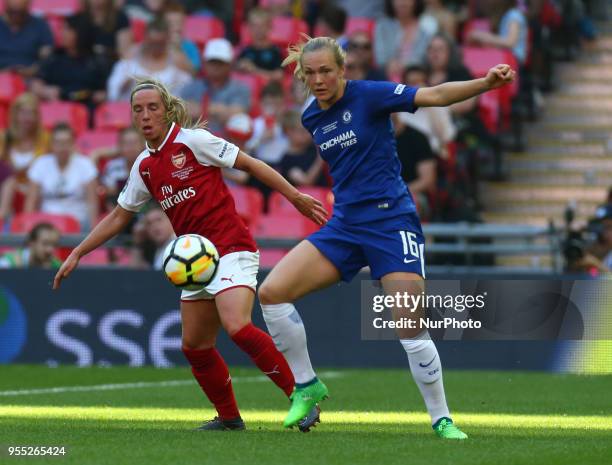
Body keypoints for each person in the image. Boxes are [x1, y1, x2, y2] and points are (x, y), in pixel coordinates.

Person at [257, 36, 515, 438]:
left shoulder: (371, 96)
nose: (319, 79)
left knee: (408, 325)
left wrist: (485, 83)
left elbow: (434, 94)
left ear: (342, 70)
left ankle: (441, 418)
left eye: (326, 70)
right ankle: (307, 386)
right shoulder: (311, 117)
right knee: (271, 293)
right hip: (345, 226)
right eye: (311, 73)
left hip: (390, 222)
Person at [52, 78, 328, 432]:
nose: (146, 115)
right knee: (195, 346)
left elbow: (250, 164)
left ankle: (301, 397)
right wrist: (78, 251)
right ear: (132, 117)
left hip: (230, 246)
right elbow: (120, 215)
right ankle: (229, 418)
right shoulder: (144, 167)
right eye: (138, 109)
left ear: (167, 111)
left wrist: (295, 197)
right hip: (198, 262)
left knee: (238, 326)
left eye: (153, 107)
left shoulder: (194, 141)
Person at [25, 123, 99, 230]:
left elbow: (92, 204)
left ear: (73, 143)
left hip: (78, 223)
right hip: (46, 224)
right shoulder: (40, 164)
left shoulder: (85, 165)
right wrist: (28, 227)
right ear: (52, 144)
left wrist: (93, 231)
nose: (62, 147)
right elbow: (31, 202)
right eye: (58, 143)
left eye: (66, 142)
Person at [31, 15, 108, 108]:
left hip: (88, 109)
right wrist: (45, 91)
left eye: (67, 29)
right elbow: (36, 84)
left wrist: (103, 95)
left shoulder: (97, 61)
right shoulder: (54, 58)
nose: (62, 33)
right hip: (58, 109)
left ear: (80, 33)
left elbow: (109, 90)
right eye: (62, 29)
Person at [106, 18, 191, 101]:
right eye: (152, 43)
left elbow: (186, 93)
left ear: (167, 40)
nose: (155, 47)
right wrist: (123, 86)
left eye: (160, 44)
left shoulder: (177, 59)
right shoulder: (131, 55)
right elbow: (113, 91)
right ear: (145, 38)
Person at [180, 38, 251, 134]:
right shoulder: (191, 87)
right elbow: (181, 112)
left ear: (230, 64)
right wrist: (220, 110)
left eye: (220, 62)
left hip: (228, 144)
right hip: (195, 142)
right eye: (212, 62)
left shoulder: (240, 89)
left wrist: (200, 109)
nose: (216, 66)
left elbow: (237, 116)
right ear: (204, 63)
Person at [0, 93, 49, 222]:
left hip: (37, 193)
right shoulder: (3, 139)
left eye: (31, 113)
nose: (27, 118)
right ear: (14, 114)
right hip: (7, 195)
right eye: (23, 113)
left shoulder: (46, 140)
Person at [0, 0, 54, 77]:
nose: (16, 15)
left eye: (20, 12)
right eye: (12, 11)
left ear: (28, 6)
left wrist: (34, 69)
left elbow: (48, 56)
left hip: (30, 77)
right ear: (5, 6)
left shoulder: (40, 26)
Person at [236, 7, 284, 81]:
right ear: (248, 28)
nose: (258, 30)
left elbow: (279, 76)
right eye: (254, 26)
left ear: (269, 28)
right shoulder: (245, 50)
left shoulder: (275, 51)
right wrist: (239, 66)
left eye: (262, 26)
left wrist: (254, 70)